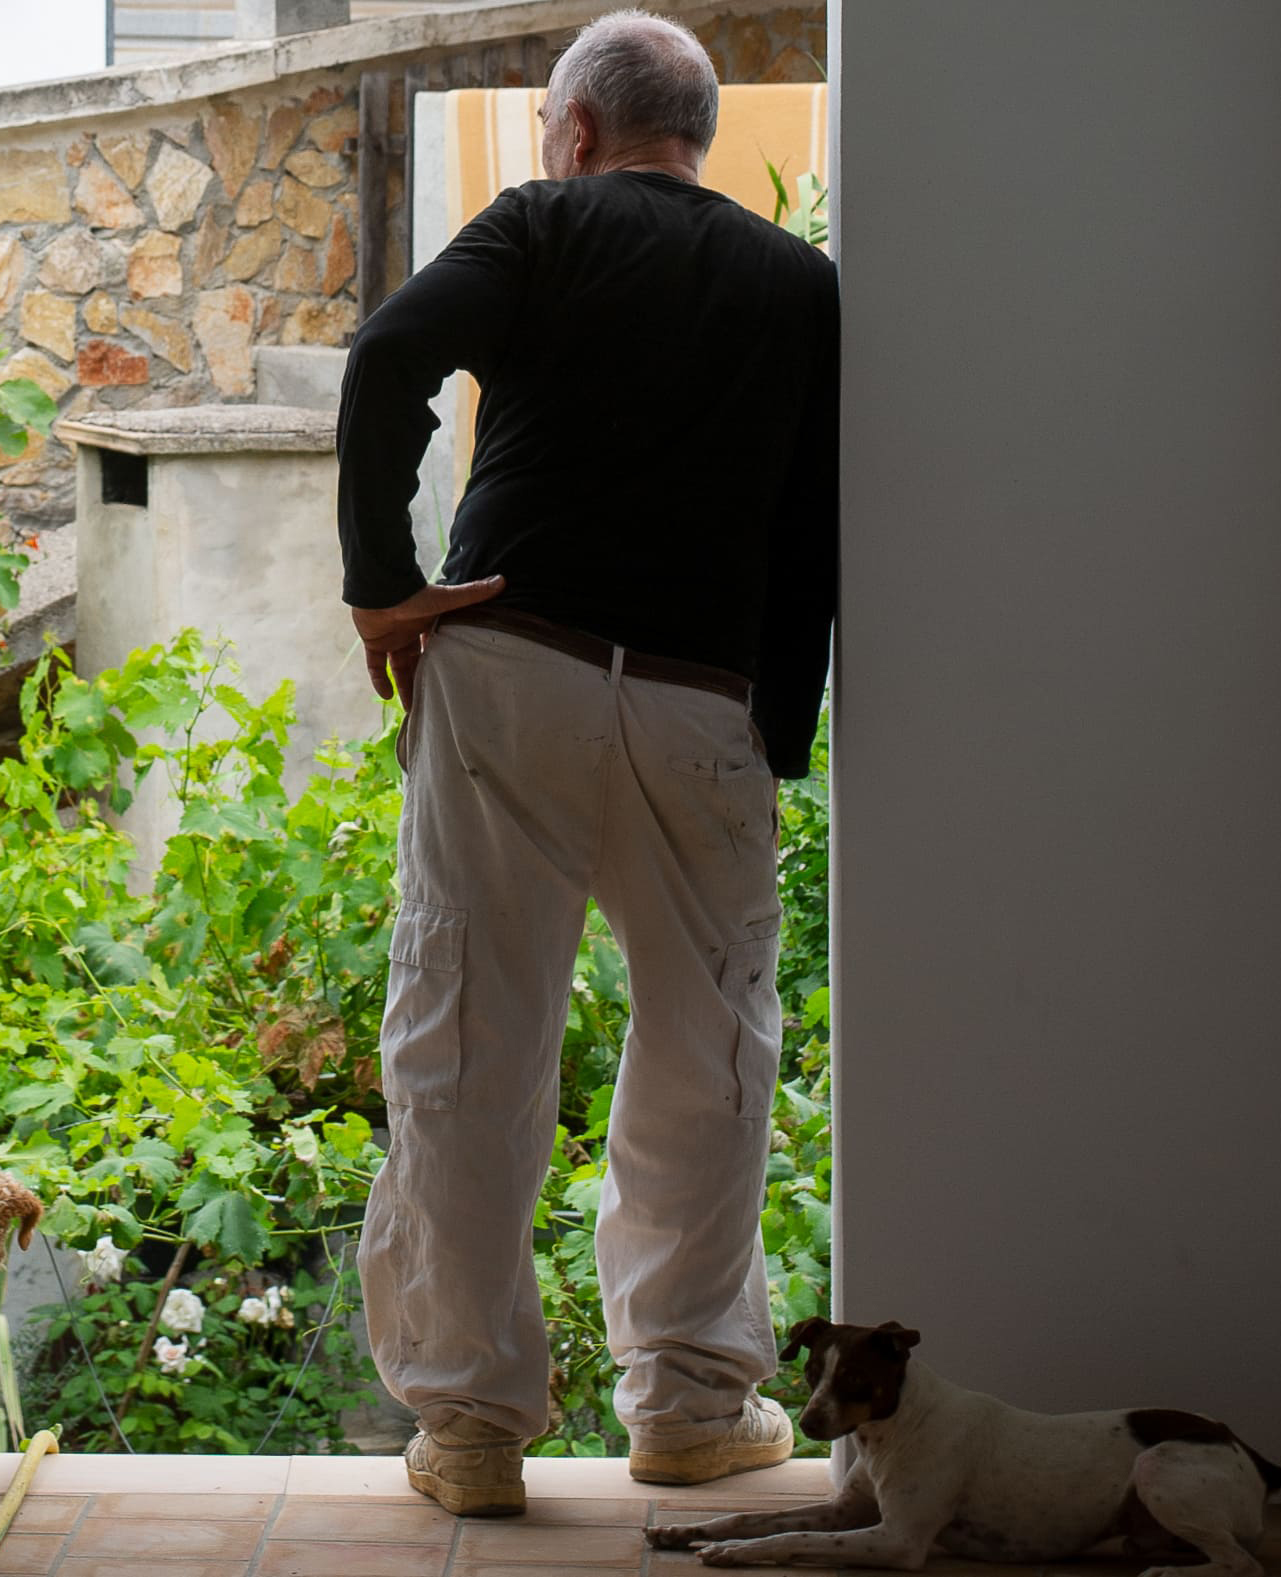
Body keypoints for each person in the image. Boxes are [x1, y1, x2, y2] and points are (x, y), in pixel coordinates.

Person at [335, 7, 840, 1518]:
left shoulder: (541, 222)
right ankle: (688, 1405)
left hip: (512, 667)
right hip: (701, 698)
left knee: (471, 1036)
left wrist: (384, 584)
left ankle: (474, 1429)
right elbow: (814, 520)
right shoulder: (800, 283)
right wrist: (776, 727)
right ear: (701, 140)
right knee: (710, 1052)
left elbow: (388, 357)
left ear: (575, 129)